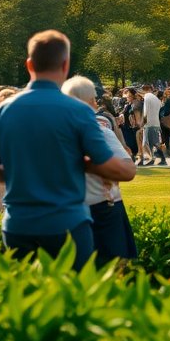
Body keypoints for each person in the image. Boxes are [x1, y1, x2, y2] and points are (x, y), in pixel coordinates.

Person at [0, 31, 136, 269]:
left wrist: (23, 177)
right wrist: (80, 166)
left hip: (18, 223)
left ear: (29, 64)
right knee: (72, 295)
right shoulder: (78, 112)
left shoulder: (3, 111)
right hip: (67, 222)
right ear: (65, 64)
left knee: (28, 297)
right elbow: (118, 171)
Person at [63, 76, 137, 262]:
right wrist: (87, 164)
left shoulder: (53, 134)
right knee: (111, 272)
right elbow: (128, 170)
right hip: (102, 210)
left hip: (64, 210)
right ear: (90, 101)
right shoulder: (99, 132)